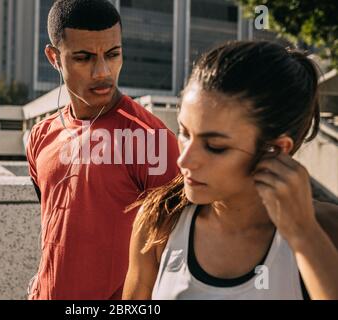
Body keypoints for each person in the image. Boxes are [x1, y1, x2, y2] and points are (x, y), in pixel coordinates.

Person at [123, 41, 338, 300]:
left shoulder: (326, 229)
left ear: (275, 149)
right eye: (184, 132)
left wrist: (304, 235)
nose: (184, 160)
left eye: (214, 146)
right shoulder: (160, 220)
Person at [26, 0, 180, 300]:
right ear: (54, 57)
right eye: (83, 58)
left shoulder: (153, 139)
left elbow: (175, 259)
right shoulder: (39, 136)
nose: (102, 72)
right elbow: (56, 230)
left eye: (113, 54)